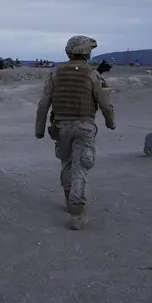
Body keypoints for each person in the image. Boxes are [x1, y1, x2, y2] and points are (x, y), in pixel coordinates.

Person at [35, 35, 116, 230]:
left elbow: (44, 103)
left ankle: (69, 199)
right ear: (86, 52)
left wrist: (39, 129)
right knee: (81, 166)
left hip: (61, 127)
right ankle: (77, 213)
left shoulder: (56, 73)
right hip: (84, 127)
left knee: (67, 163)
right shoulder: (92, 74)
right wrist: (110, 122)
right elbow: (105, 104)